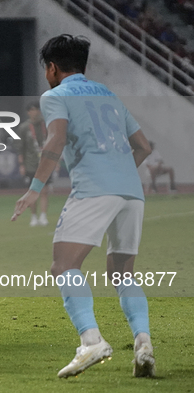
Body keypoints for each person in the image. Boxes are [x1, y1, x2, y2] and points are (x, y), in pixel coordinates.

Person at [11, 34, 155, 378]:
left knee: (63, 266)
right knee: (123, 273)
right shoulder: (109, 95)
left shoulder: (55, 95)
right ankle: (144, 343)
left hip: (93, 189)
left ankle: (91, 340)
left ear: (52, 68)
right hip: (131, 192)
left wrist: (34, 189)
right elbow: (144, 146)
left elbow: (56, 139)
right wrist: (118, 173)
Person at [16, 101, 51, 226]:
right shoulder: (24, 128)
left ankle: (43, 215)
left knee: (45, 190)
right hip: (31, 163)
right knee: (32, 190)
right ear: (28, 112)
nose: (34, 112)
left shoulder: (46, 125)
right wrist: (22, 165)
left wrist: (55, 161)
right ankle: (33, 216)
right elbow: (21, 148)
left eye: (36, 109)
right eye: (31, 110)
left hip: (45, 162)